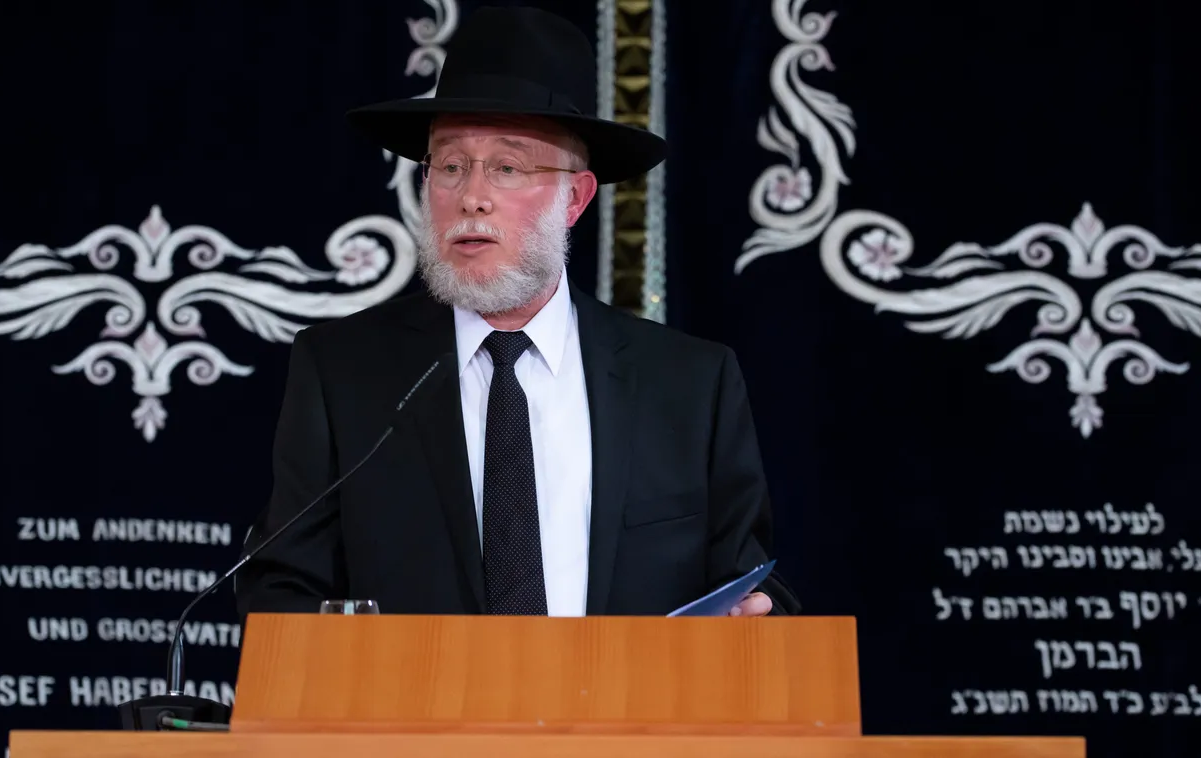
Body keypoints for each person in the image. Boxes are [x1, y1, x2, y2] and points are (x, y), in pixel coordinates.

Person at [234, 5, 799, 619]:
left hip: (618, 714)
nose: (472, 197)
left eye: (507, 168)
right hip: (410, 713)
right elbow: (280, 591)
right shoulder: (343, 371)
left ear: (575, 198)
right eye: (450, 166)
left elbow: (751, 587)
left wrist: (759, 615)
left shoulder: (691, 385)